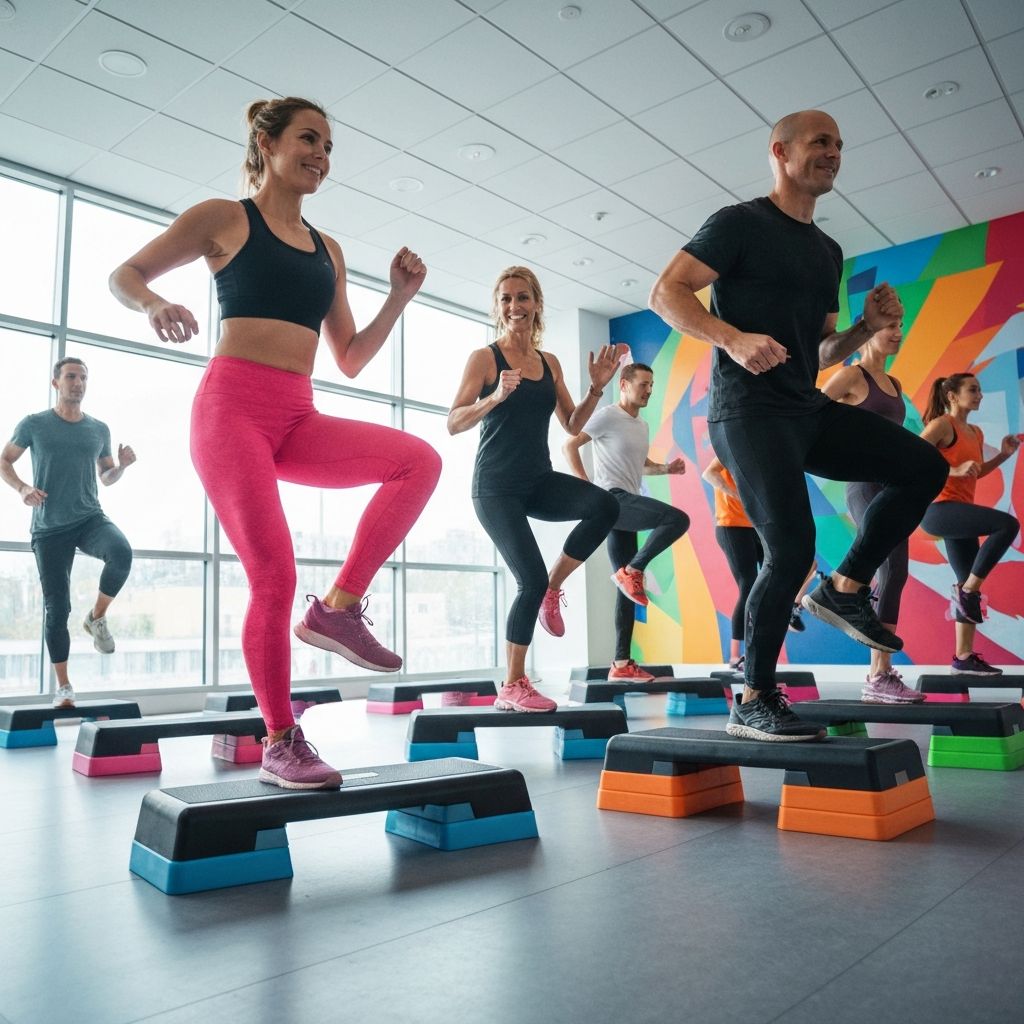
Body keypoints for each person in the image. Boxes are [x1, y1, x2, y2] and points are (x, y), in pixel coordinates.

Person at [109, 97, 440, 789]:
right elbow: (126, 275)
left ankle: (340, 609)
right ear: (267, 143)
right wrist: (154, 304)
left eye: (328, 145)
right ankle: (281, 740)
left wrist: (399, 298)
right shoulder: (226, 218)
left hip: (298, 414)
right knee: (274, 574)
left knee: (418, 461)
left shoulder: (329, 250)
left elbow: (347, 356)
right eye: (308, 139)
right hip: (231, 411)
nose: (322, 154)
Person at [649, 109, 948, 742]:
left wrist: (864, 329)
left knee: (925, 465)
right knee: (789, 546)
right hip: (747, 414)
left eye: (839, 144)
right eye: (820, 142)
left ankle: (844, 587)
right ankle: (753, 697)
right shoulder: (739, 224)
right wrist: (730, 339)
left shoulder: (827, 251)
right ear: (780, 152)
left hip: (804, 409)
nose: (833, 152)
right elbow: (667, 293)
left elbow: (819, 354)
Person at [448, 266, 619, 712]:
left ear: (537, 303)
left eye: (522, 298)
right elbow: (453, 422)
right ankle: (512, 684)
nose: (514, 307)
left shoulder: (549, 363)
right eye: (505, 299)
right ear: (498, 306)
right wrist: (494, 398)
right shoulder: (485, 359)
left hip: (537, 480)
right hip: (495, 487)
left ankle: (552, 589)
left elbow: (571, 424)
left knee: (603, 504)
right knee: (529, 576)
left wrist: (598, 388)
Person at [1, 358, 135, 709]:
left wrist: (120, 467)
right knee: (56, 607)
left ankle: (97, 617)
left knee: (121, 552)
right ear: (55, 383)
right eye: (71, 377)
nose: (78, 383)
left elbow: (105, 475)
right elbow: (4, 460)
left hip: (89, 517)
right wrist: (21, 489)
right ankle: (64, 687)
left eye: (84, 378)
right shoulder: (35, 424)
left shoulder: (98, 429)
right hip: (49, 527)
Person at [562, 362, 689, 681]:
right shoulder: (608, 415)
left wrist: (666, 470)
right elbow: (570, 443)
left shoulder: (640, 425)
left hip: (623, 504)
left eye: (651, 385)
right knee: (677, 520)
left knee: (626, 589)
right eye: (643, 384)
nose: (649, 390)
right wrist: (585, 484)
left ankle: (621, 664)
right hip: (612, 499)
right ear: (624, 385)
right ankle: (633, 569)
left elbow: (640, 465)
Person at [822, 324, 925, 702]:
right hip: (864, 484)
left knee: (896, 573)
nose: (898, 332)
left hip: (894, 485)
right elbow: (813, 414)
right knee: (891, 567)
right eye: (889, 327)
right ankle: (878, 675)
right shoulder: (850, 374)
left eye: (901, 327)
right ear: (867, 334)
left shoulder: (895, 384)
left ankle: (877, 673)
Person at [919, 373, 1020, 676]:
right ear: (951, 395)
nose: (979, 395)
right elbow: (914, 460)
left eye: (980, 390)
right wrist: (952, 470)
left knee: (967, 579)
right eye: (972, 390)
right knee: (1007, 525)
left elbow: (974, 473)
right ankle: (969, 591)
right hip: (938, 511)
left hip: (959, 512)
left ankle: (962, 658)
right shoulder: (941, 425)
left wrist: (1003, 454)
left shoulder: (974, 432)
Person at [702, 454, 812, 674]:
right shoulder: (730, 447)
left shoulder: (761, 455)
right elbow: (709, 473)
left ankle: (791, 608)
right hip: (731, 526)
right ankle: (735, 656)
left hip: (757, 526)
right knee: (749, 584)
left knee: (800, 565)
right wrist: (739, 496)